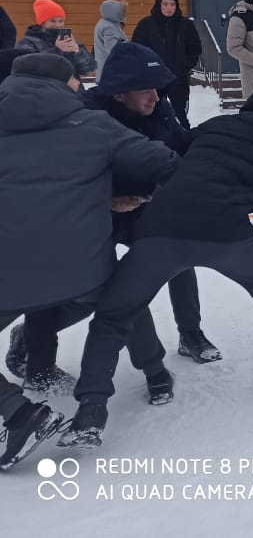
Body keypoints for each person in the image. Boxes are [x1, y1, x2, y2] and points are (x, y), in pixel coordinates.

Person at [58, 81, 253, 449]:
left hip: (160, 229)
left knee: (113, 316)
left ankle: (90, 412)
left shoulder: (214, 126)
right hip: (226, 234)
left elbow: (166, 155)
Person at [0, 52, 180, 467]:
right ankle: (156, 374)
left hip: (7, 278)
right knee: (122, 302)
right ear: (66, 85)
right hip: (84, 272)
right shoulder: (94, 125)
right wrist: (127, 196)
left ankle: (16, 411)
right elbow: (168, 164)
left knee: (42, 289)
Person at [78, 41, 222, 366]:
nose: (156, 97)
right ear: (119, 94)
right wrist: (105, 200)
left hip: (144, 205)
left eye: (158, 89)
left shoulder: (159, 108)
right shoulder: (85, 116)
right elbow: (63, 175)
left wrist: (222, 142)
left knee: (178, 253)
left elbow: (182, 145)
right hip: (94, 215)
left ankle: (191, 334)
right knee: (85, 286)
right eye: (147, 90)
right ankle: (31, 344)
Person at [131, 0, 202, 129]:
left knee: (180, 114)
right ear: (159, 5)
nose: (169, 8)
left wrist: (185, 66)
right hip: (154, 80)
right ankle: (154, 138)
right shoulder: (146, 25)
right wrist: (148, 69)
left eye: (172, 4)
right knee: (152, 113)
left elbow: (195, 47)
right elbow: (138, 49)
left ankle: (184, 138)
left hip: (178, 78)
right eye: (165, 4)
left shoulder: (185, 25)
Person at [18, 0, 95, 76]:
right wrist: (57, 50)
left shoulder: (71, 41)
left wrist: (78, 52)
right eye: (52, 21)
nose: (58, 25)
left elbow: (88, 70)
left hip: (72, 83)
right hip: (45, 83)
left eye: (61, 21)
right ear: (42, 23)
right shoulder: (27, 43)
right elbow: (29, 69)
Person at [92, 0, 127, 81]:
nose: (124, 14)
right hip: (112, 71)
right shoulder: (109, 27)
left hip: (105, 69)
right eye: (123, 11)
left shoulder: (103, 22)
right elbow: (113, 51)